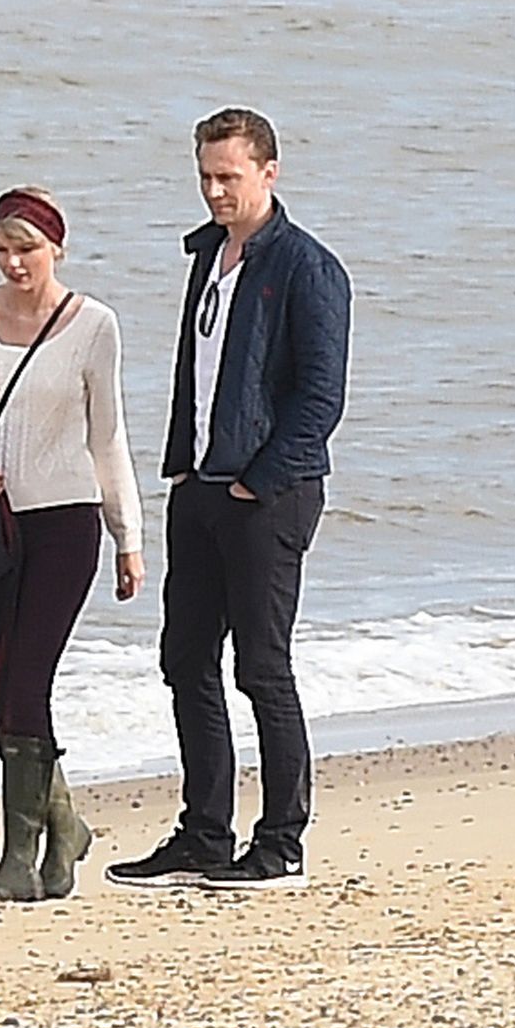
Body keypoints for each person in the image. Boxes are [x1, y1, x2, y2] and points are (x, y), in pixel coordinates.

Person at [106, 108, 351, 891]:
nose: (215, 191)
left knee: (262, 668)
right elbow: (201, 377)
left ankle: (281, 844)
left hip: (270, 495)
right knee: (184, 659)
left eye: (229, 177)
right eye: (206, 176)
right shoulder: (208, 255)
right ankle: (205, 834)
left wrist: (259, 478)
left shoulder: (308, 268)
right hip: (201, 488)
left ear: (269, 173)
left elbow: (321, 397)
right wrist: (184, 467)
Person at [0, 187, 145, 902]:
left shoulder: (95, 325)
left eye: (26, 248)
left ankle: (16, 862)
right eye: (2, 249)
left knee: (27, 683)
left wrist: (128, 537)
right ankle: (65, 826)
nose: (14, 263)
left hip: (66, 524)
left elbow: (107, 436)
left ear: (57, 247)